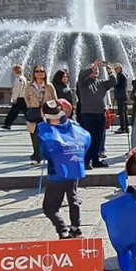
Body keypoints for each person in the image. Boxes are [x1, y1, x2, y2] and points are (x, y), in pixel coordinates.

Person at [37, 100, 91, 239]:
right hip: (74, 169)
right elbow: (86, 141)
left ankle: (62, 229)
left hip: (56, 173)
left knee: (50, 208)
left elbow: (43, 153)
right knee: (73, 198)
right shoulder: (74, 126)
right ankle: (76, 228)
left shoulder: (46, 130)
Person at [77, 60, 116, 168]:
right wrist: (92, 66)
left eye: (97, 70)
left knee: (98, 138)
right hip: (88, 114)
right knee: (89, 138)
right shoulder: (83, 82)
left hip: (100, 114)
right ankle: (86, 161)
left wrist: (110, 72)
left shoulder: (101, 83)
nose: (96, 71)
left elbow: (113, 82)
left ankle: (96, 160)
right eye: (93, 70)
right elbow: (81, 75)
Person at [25, 66, 57, 164]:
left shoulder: (49, 86)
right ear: (34, 73)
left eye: (42, 71)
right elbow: (26, 99)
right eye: (37, 71)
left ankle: (47, 155)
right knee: (34, 135)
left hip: (47, 113)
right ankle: (36, 156)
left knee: (47, 135)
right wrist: (31, 107)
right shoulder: (29, 86)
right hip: (34, 113)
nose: (40, 73)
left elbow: (55, 99)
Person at [1, 65, 28, 130]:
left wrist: (14, 98)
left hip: (19, 98)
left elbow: (16, 90)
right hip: (23, 98)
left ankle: (7, 124)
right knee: (25, 112)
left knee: (13, 112)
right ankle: (7, 124)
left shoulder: (18, 79)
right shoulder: (23, 78)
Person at [113, 64, 129, 134]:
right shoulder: (121, 75)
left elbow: (120, 85)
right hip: (122, 96)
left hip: (121, 96)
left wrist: (113, 83)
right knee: (124, 112)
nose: (115, 70)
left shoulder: (121, 75)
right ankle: (125, 127)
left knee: (122, 112)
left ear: (119, 68)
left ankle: (123, 127)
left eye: (116, 69)